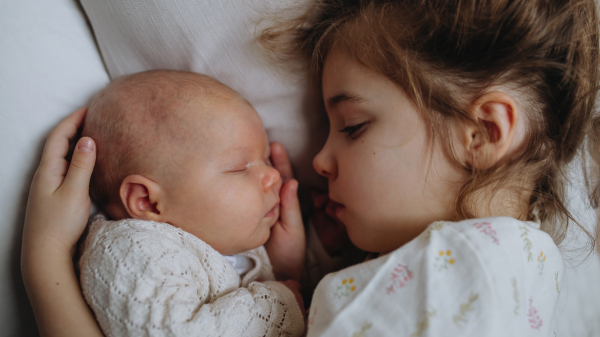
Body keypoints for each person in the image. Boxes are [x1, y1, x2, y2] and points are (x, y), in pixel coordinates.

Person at [22, 0, 600, 335]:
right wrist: (299, 274)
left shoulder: (463, 269)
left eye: (353, 126)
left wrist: (43, 258)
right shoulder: (514, 262)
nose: (319, 160)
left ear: (482, 133)